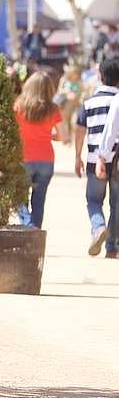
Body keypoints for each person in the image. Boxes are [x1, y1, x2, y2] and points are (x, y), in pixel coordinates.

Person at [79, 57, 119, 257]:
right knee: (116, 203)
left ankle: (98, 227)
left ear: (100, 76)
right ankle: (112, 247)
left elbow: (79, 130)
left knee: (93, 199)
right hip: (117, 161)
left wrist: (77, 156)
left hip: (96, 159)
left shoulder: (89, 102)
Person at [14, 72, 61, 228]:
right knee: (39, 201)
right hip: (46, 159)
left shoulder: (19, 105)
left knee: (19, 197)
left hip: (23, 158)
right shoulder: (53, 109)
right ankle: (35, 236)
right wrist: (49, 135)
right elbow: (62, 135)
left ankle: (29, 226)